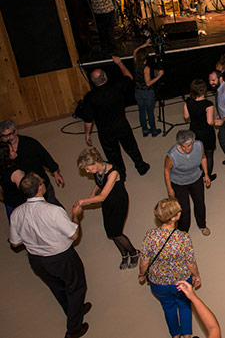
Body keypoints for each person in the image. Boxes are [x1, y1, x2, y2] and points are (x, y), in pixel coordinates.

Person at [9, 173, 90, 338]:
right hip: (61, 258)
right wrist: (76, 215)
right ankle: (74, 329)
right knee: (76, 287)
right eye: (42, 181)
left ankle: (72, 310)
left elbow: (15, 243)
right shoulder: (53, 211)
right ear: (40, 188)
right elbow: (74, 235)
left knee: (58, 288)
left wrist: (34, 238)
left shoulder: (16, 214)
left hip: (37, 260)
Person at [138, 198, 201, 338]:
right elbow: (191, 263)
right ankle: (187, 335)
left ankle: (175, 334)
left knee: (168, 307)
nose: (181, 211)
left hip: (158, 282)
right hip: (181, 281)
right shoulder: (183, 238)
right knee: (184, 305)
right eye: (179, 210)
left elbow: (144, 262)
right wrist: (196, 276)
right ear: (174, 218)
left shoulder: (150, 235)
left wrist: (142, 275)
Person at [80, 64, 150, 178]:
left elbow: (88, 119)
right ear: (105, 77)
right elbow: (129, 76)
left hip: (105, 131)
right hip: (122, 126)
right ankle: (141, 167)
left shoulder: (89, 97)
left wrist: (87, 133)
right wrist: (120, 63)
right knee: (131, 148)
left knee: (113, 155)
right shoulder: (117, 87)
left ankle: (120, 174)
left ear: (93, 82)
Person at [75, 147, 139, 270]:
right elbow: (99, 182)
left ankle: (134, 252)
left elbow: (102, 196)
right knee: (110, 231)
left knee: (117, 233)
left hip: (118, 203)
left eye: (88, 168)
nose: (87, 171)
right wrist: (93, 193)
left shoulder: (113, 172)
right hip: (108, 203)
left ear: (95, 162)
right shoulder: (99, 169)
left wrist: (83, 201)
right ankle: (124, 254)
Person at [1, 119, 64, 207]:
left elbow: (45, 156)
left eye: (10, 134)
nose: (8, 138)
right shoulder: (2, 151)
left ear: (16, 131)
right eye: (4, 136)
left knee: (53, 204)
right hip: (21, 194)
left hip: (40, 183)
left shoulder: (30, 143)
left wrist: (56, 173)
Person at [164, 130, 211, 235]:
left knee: (200, 203)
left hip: (196, 178)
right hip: (179, 183)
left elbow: (203, 158)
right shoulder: (172, 155)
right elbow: (166, 170)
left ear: (193, 142)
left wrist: (206, 174)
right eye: (183, 146)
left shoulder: (199, 145)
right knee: (184, 209)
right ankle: (183, 232)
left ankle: (202, 225)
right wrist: (169, 189)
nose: (186, 149)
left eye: (189, 146)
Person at [183, 79, 216, 181]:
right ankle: (208, 176)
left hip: (194, 131)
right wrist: (215, 121)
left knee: (198, 153)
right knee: (209, 154)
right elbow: (210, 122)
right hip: (206, 133)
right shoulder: (208, 104)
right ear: (204, 90)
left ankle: (200, 172)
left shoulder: (188, 101)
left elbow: (186, 116)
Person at [131, 41, 163, 137]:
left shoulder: (135, 63)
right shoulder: (146, 68)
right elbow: (148, 83)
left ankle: (145, 130)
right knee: (150, 112)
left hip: (138, 91)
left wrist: (144, 44)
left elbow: (135, 51)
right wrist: (159, 76)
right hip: (147, 92)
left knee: (141, 111)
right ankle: (153, 130)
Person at [0, 142, 25, 222]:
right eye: (12, 150)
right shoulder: (15, 173)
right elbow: (27, 192)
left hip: (10, 207)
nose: (15, 149)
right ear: (7, 156)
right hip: (22, 209)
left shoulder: (2, 170)